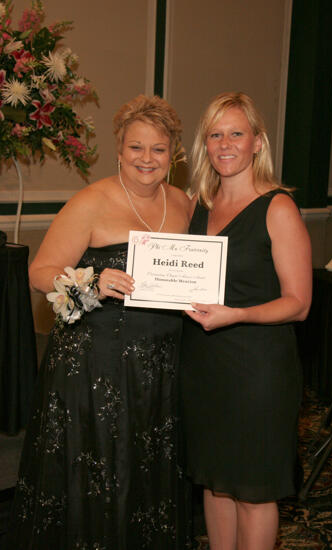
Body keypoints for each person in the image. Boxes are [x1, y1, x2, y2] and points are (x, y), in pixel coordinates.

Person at [4, 95, 191, 550]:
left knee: (146, 465)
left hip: (162, 362)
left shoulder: (185, 203)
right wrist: (90, 283)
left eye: (158, 149)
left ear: (173, 154)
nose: (147, 159)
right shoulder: (90, 200)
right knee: (100, 466)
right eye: (136, 147)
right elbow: (40, 272)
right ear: (119, 150)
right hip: (95, 366)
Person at [180, 92, 312, 550]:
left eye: (237, 133)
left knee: (254, 489)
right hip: (203, 363)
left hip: (258, 367)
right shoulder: (198, 206)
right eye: (215, 135)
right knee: (215, 483)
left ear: (258, 142)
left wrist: (237, 315)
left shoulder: (278, 208)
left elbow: (298, 303)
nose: (225, 144)